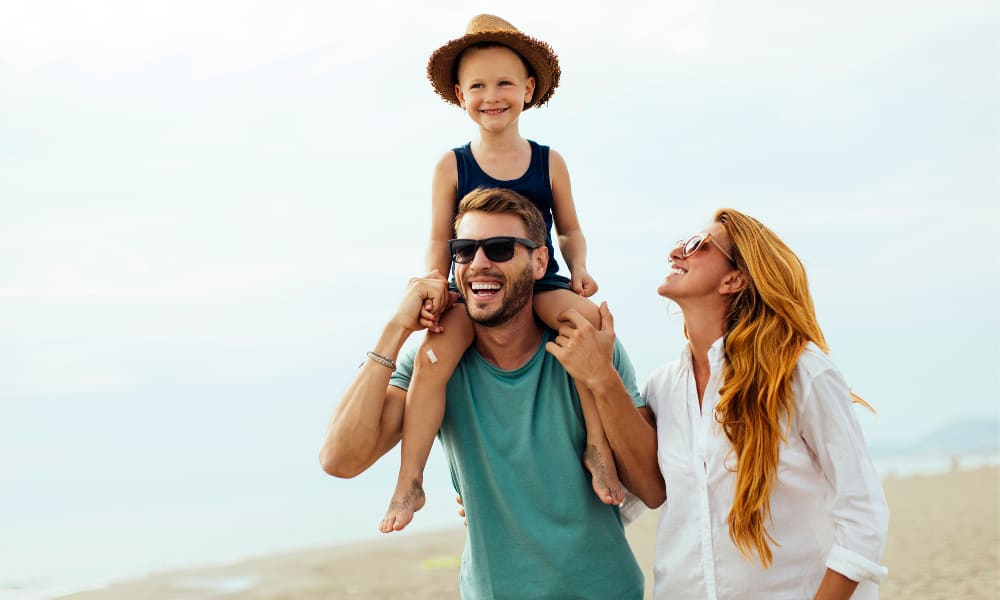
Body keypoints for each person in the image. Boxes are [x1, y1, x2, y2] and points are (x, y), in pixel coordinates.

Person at [319, 188, 661, 599]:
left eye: (499, 249)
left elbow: (651, 487)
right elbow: (340, 459)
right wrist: (395, 329)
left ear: (539, 262)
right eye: (464, 251)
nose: (479, 263)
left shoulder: (586, 346)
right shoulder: (433, 363)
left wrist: (602, 378)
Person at [562, 208, 890, 599]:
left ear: (734, 278)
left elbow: (863, 516)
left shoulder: (802, 374)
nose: (675, 252)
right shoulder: (663, 389)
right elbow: (625, 500)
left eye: (696, 245)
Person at [381, 13, 618, 534]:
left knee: (585, 323)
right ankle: (410, 480)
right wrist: (435, 282)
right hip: (476, 290)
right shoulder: (452, 164)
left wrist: (578, 270)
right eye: (478, 85)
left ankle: (599, 447)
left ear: (528, 90)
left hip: (541, 283)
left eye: (505, 83)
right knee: (433, 355)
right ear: (460, 95)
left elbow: (570, 229)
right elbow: (440, 236)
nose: (493, 95)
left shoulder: (548, 160)